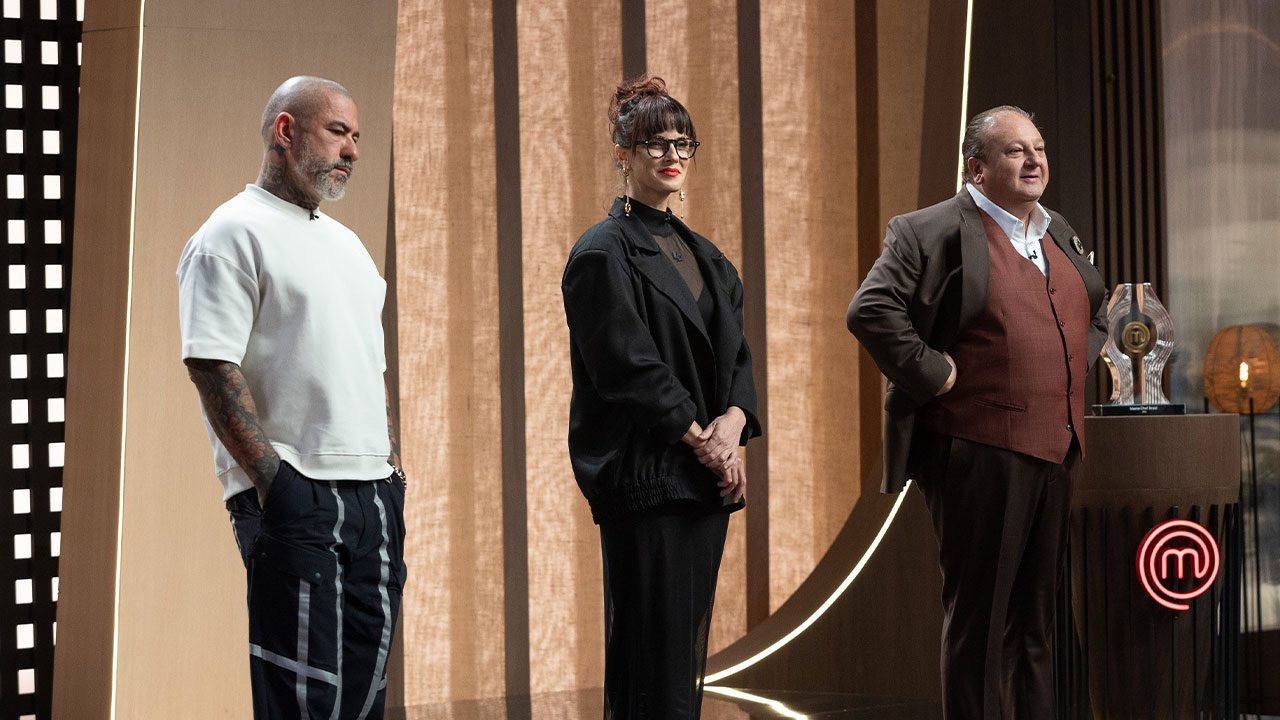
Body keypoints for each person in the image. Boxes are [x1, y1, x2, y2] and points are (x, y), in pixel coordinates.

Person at [847, 106, 1108, 719]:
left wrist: (1075, 359)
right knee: (979, 623)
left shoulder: (1056, 230)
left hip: (1056, 450)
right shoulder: (927, 229)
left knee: (1037, 625)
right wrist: (934, 371)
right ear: (977, 166)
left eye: (1038, 148)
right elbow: (870, 310)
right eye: (1016, 151)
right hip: (977, 450)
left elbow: (1095, 308)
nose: (1034, 160)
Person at [177, 76, 406, 720]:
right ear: (285, 130)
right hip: (297, 496)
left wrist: (389, 473)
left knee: (366, 697)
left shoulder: (349, 247)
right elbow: (210, 363)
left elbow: (365, 369)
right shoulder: (230, 234)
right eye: (338, 131)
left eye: (357, 136)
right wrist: (274, 481)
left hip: (375, 498)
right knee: (303, 697)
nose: (353, 150)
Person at [560, 75, 761, 719]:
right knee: (650, 661)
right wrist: (705, 444)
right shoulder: (601, 252)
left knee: (684, 659)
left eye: (683, 142)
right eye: (653, 143)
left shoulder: (710, 257)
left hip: (703, 477)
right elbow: (627, 367)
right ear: (621, 153)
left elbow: (736, 358)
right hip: (648, 474)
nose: (671, 154)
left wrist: (731, 427)